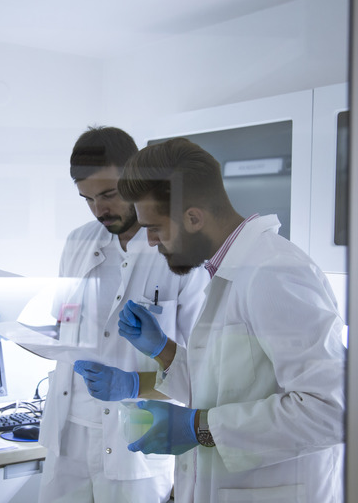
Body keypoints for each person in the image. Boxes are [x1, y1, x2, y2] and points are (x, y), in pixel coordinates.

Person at [102, 136, 346, 502]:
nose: (151, 241)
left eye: (155, 227)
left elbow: (331, 410)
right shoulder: (229, 271)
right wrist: (164, 349)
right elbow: (231, 385)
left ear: (194, 217)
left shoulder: (274, 272)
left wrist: (198, 426)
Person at [36, 127, 209, 503]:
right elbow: (61, 326)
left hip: (136, 438)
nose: (100, 210)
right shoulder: (78, 243)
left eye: (109, 194)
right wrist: (9, 324)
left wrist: (131, 384)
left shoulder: (180, 253)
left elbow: (203, 370)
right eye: (87, 199)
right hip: (68, 435)